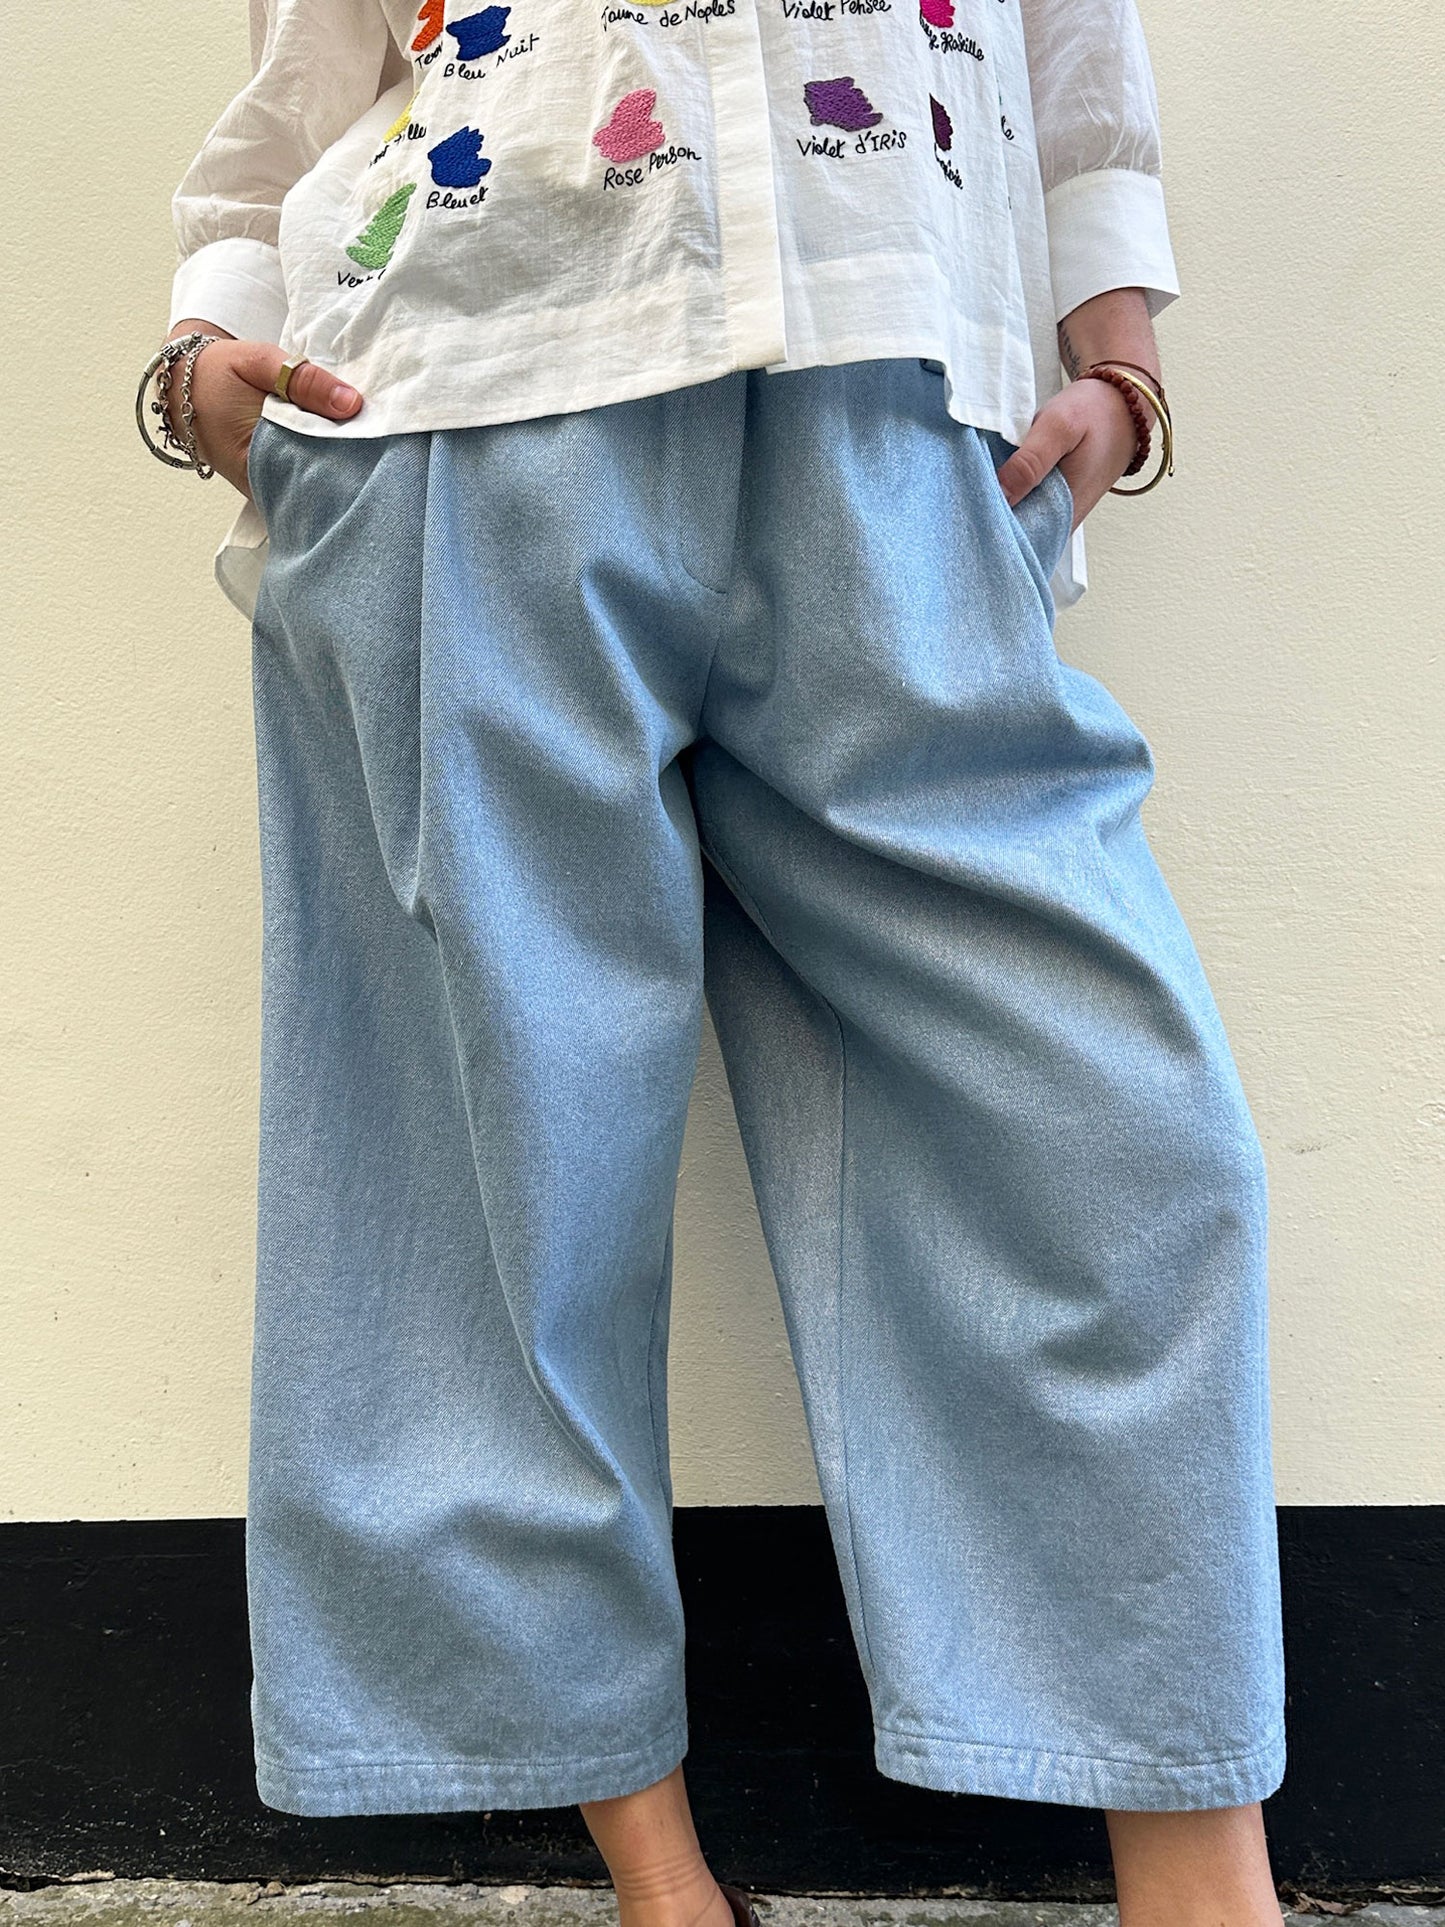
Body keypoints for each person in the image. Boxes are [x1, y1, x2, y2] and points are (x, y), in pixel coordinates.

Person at [140, 2, 1289, 1922]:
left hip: (891, 411)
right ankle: (665, 1892)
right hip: (453, 397)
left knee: (1118, 1144)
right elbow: (309, 54)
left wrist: (1119, 357)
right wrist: (201, 352)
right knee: (495, 1181)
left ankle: (1202, 1894)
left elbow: (1069, 39)